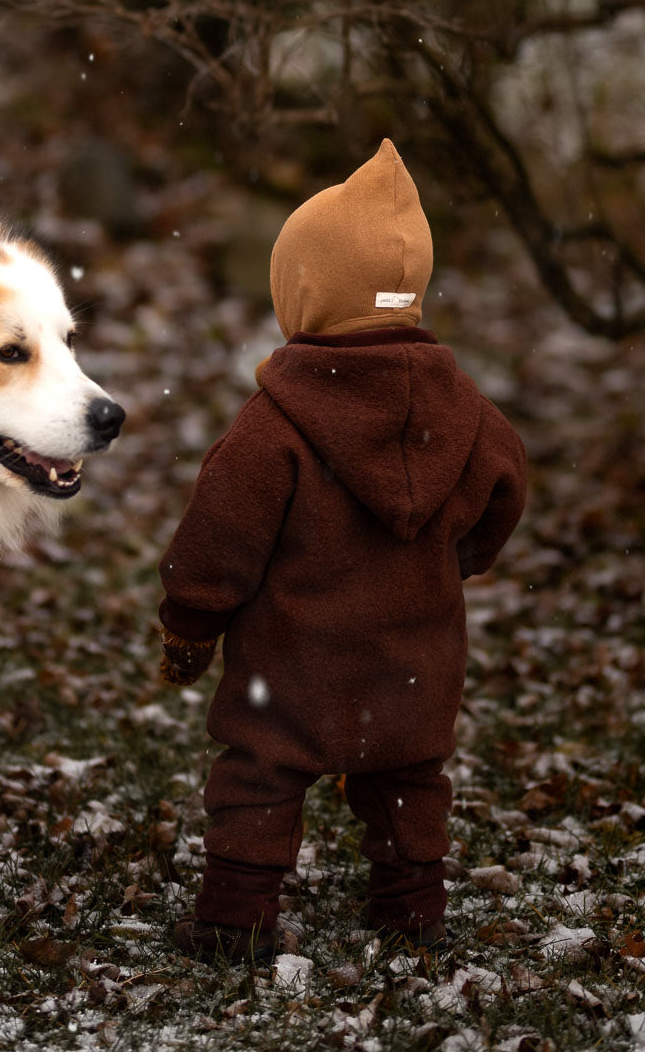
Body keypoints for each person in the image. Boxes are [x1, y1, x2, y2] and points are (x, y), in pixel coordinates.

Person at [158, 139, 527, 961]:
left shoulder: (274, 426)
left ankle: (235, 920)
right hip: (415, 657)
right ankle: (411, 913)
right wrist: (458, 559)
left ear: (305, 292)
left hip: (289, 664)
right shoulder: (466, 412)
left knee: (258, 775)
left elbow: (216, 540)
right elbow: (505, 490)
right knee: (408, 780)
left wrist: (189, 625)